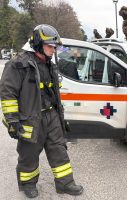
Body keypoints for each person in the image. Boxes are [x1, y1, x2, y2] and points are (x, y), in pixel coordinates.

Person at [0, 24, 83, 198]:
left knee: (59, 151)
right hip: (30, 118)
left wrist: (60, 117)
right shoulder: (18, 64)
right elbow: (8, 94)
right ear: (38, 44)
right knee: (28, 155)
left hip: (51, 115)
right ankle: (28, 184)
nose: (53, 50)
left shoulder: (49, 64)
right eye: (50, 46)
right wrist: (12, 121)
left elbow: (54, 92)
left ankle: (66, 184)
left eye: (54, 47)